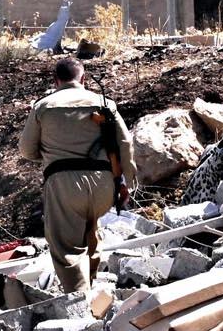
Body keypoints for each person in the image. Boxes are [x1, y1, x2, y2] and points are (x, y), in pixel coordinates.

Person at [18, 56, 135, 295]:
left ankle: (80, 304)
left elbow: (27, 150)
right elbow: (125, 144)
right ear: (83, 78)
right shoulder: (105, 103)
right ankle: (90, 288)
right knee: (91, 233)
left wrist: (52, 154)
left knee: (66, 248)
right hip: (103, 185)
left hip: (64, 184)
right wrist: (127, 183)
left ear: (55, 80)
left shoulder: (44, 106)